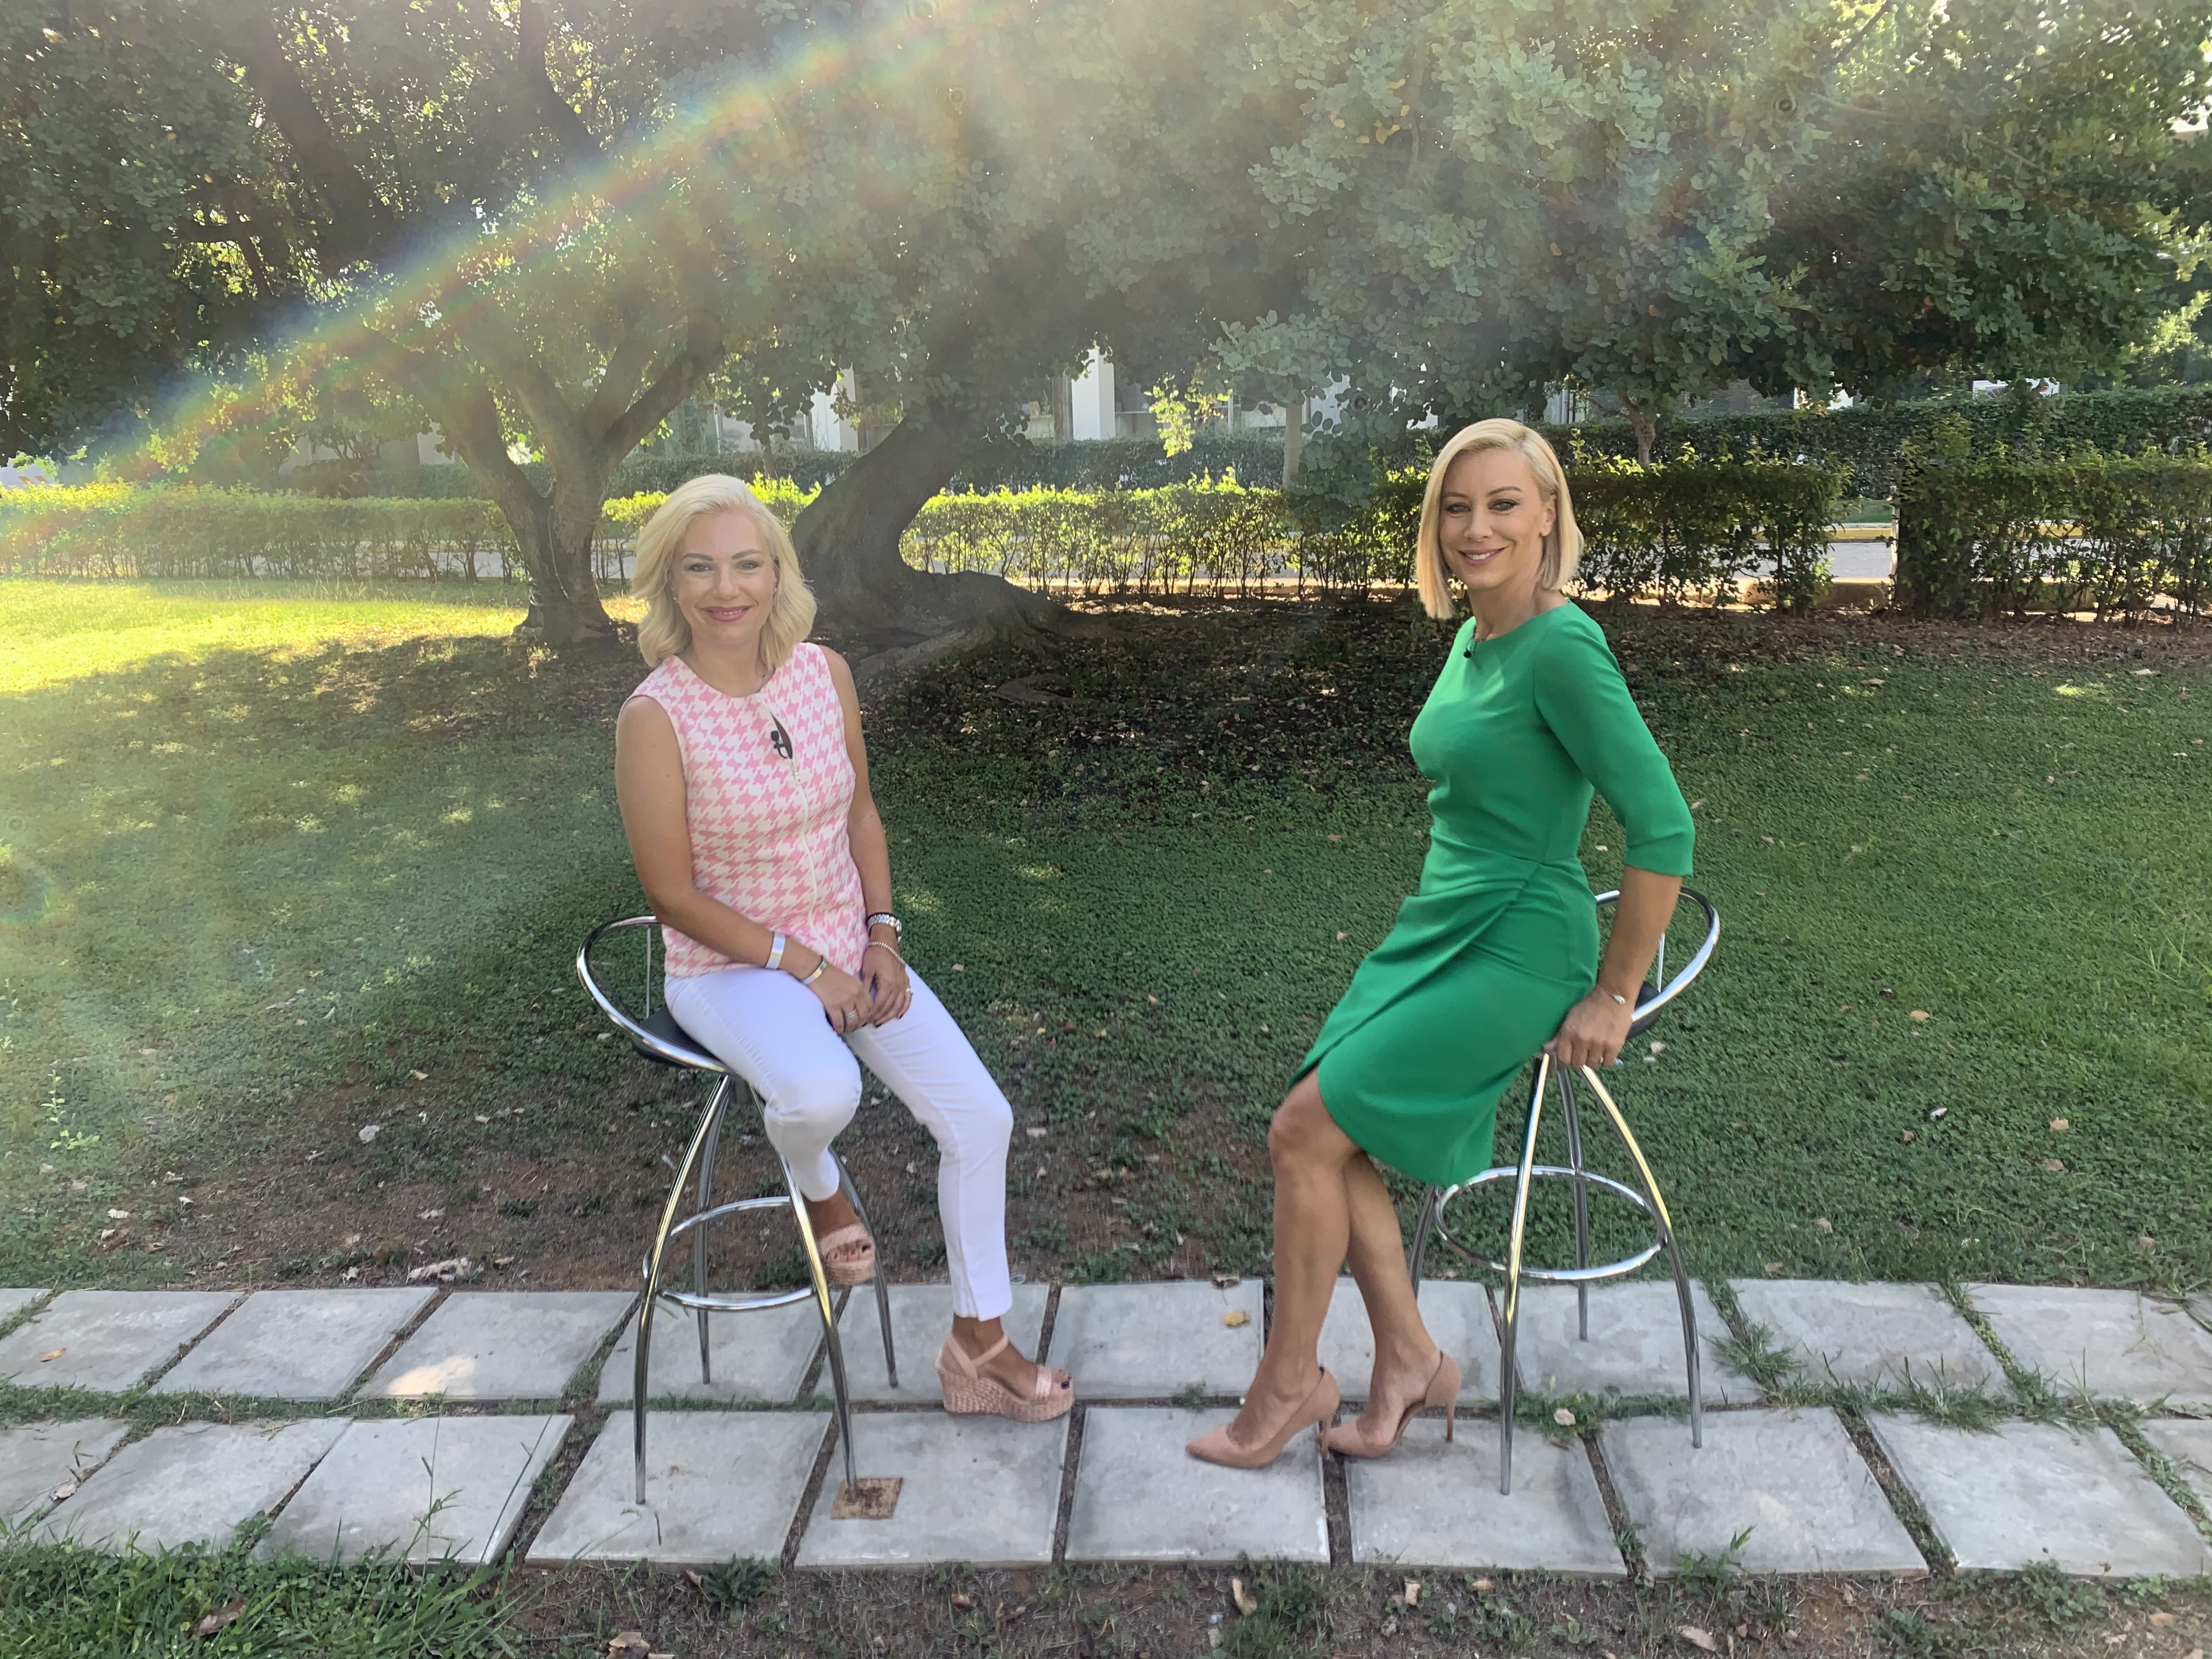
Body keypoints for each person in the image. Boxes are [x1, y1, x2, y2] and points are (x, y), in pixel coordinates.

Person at [1189, 419, 1694, 1468]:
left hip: (1521, 945)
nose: (1476, 528)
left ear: (1548, 513)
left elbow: (1664, 827)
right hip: (1442, 925)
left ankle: (1288, 1384)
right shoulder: (1476, 634)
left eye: (1503, 504)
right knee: (1316, 1130)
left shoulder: (1562, 647)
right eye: (1456, 508)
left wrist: (1614, 995)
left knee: (1303, 1131)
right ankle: (1410, 1360)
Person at [613, 473, 1072, 1423]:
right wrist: (806, 966)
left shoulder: (824, 674)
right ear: (669, 584)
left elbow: (860, 814)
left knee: (980, 1118)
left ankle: (979, 1343)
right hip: (728, 967)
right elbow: (671, 894)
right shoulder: (654, 717)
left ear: (779, 573)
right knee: (824, 1094)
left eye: (747, 564)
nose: (727, 589)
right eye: (699, 569)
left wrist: (883, 935)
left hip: (844, 945)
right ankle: (818, 1190)